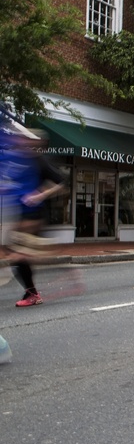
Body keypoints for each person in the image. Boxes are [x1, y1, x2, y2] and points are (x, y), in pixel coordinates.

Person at [0, 121, 66, 308]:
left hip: (37, 216)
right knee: (12, 252)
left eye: (27, 140)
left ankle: (32, 293)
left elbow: (61, 182)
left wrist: (40, 194)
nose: (23, 143)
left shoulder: (39, 161)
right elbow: (10, 183)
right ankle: (43, 258)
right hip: (22, 215)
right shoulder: (17, 160)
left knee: (18, 255)